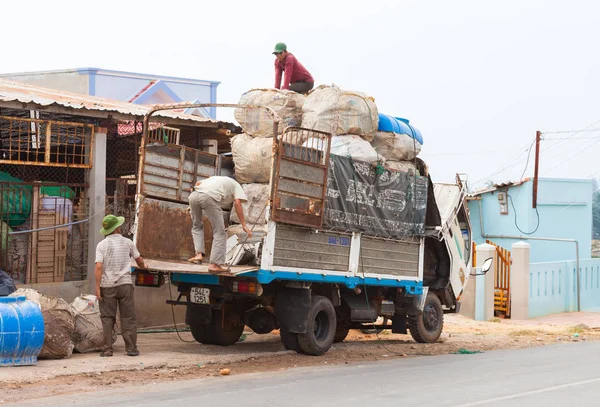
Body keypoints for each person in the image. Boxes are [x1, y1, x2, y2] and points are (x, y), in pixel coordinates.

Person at [95, 214, 146, 357]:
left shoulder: (102, 245)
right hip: (125, 285)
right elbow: (139, 260)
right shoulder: (127, 242)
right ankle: (131, 349)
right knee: (128, 317)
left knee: (107, 317)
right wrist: (144, 266)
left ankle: (107, 349)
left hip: (107, 285)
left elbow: (99, 266)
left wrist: (98, 287)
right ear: (117, 227)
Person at [187, 176, 252, 272]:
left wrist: (192, 206)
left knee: (197, 226)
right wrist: (243, 224)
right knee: (220, 232)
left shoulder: (213, 179)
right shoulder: (236, 185)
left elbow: (197, 184)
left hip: (193, 196)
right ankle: (214, 264)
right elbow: (237, 203)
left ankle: (198, 255)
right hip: (209, 198)